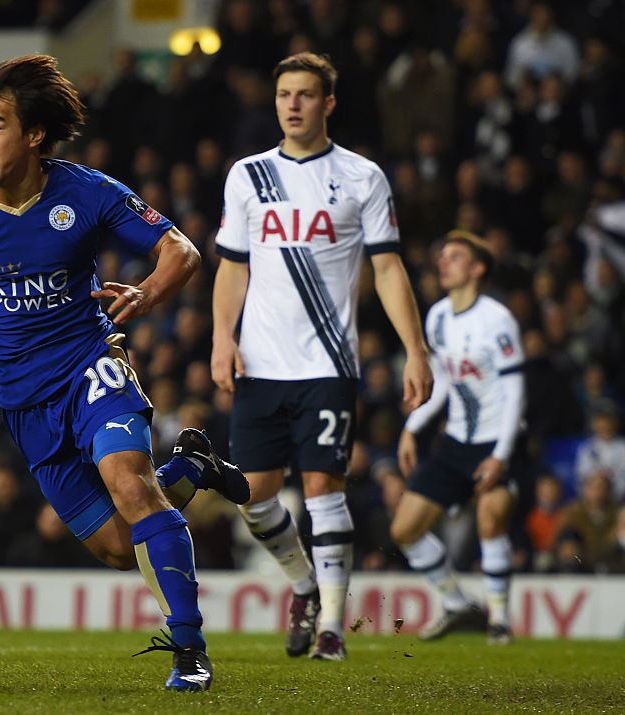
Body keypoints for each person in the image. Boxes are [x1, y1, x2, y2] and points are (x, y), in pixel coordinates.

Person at [0, 54, 248, 692]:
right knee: (118, 547)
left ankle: (189, 649)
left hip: (91, 367)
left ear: (34, 134)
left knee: (131, 485)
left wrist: (148, 294)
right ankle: (189, 469)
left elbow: (180, 250)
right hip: (26, 403)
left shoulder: (87, 191)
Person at [210, 52, 432, 661]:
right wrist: (222, 336)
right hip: (260, 364)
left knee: (322, 491)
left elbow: (389, 268)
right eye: (285, 93)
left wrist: (415, 351)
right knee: (253, 497)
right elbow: (232, 267)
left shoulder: (362, 176)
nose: (293, 104)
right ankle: (305, 586)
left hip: (328, 364)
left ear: (328, 103)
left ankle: (332, 627)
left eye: (306, 94)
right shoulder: (248, 175)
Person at [390, 230, 525, 646]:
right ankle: (458, 605)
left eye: (454, 257)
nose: (443, 263)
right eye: (442, 256)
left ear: (478, 268)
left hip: (496, 441)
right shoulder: (437, 317)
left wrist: (501, 455)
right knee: (404, 530)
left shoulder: (497, 320)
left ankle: (499, 620)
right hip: (455, 443)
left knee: (490, 521)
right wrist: (412, 427)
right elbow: (444, 381)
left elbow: (515, 391)